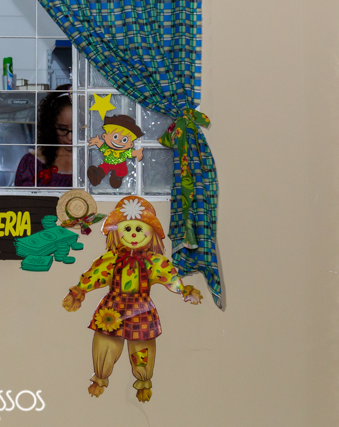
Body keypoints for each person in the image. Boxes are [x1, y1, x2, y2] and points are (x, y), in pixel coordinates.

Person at [62, 196, 202, 402]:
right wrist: (79, 291)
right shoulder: (111, 259)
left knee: (142, 348)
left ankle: (143, 382)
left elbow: (169, 276)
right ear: (116, 232)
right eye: (127, 229)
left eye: (139, 229)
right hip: (112, 310)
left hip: (141, 310)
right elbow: (96, 274)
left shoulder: (154, 262)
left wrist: (183, 290)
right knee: (105, 344)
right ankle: (100, 378)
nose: (133, 234)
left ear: (152, 233)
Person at [15, 85, 73, 187]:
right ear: (51, 125)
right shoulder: (32, 163)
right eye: (63, 129)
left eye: (78, 130)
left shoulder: (96, 162)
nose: (70, 137)